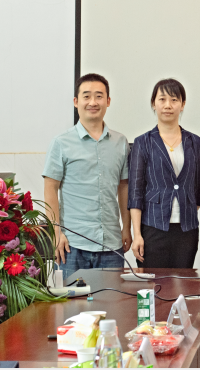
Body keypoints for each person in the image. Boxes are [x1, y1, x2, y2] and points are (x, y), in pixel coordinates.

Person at [43, 73, 132, 277]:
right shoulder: (61, 143)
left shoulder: (120, 142)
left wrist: (126, 228)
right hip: (71, 245)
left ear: (108, 101)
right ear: (76, 101)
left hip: (111, 244)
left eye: (99, 96)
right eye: (86, 96)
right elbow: (50, 189)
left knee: (112, 298)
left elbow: (124, 187)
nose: (93, 102)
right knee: (72, 299)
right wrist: (56, 233)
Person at [128, 78, 200, 269]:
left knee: (184, 281)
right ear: (153, 103)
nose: (168, 105)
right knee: (153, 283)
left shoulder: (195, 142)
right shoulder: (143, 142)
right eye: (162, 99)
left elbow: (199, 188)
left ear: (183, 104)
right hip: (153, 227)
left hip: (187, 229)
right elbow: (135, 193)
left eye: (174, 100)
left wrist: (185, 208)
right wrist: (137, 234)